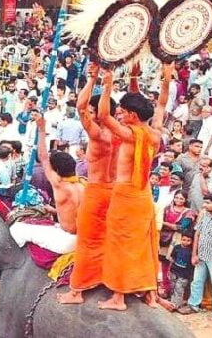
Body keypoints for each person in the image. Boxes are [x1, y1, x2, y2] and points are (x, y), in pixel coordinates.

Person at [95, 64, 171, 310]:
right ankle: (149, 294)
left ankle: (118, 297)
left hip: (126, 195)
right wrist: (165, 77)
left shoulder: (129, 134)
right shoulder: (155, 133)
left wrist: (107, 84)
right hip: (144, 195)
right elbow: (160, 104)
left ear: (133, 116)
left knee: (120, 243)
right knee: (143, 244)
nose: (120, 114)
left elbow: (102, 116)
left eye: (124, 111)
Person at [59, 64, 119, 304]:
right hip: (116, 191)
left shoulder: (98, 133)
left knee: (87, 239)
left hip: (96, 190)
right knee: (110, 238)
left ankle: (77, 291)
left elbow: (80, 106)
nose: (89, 114)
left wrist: (93, 79)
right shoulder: (123, 131)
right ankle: (109, 280)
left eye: (94, 112)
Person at [8, 118, 83, 254]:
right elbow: (73, 212)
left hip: (68, 240)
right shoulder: (82, 185)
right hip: (84, 236)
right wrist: (53, 210)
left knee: (17, 228)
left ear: (57, 172)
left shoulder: (60, 185)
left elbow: (43, 157)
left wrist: (42, 129)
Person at [178, 193, 212, 321]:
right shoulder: (205, 216)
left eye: (208, 203)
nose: (204, 205)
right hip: (201, 256)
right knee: (197, 282)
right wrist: (194, 254)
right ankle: (193, 305)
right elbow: (197, 235)